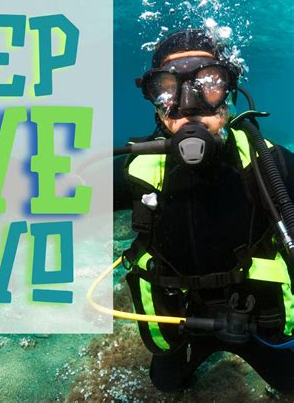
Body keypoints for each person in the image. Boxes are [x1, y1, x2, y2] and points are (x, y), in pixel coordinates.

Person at [114, 29, 294, 393]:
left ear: (228, 92)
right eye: (167, 88)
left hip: (261, 322)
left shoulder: (270, 164)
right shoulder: (137, 170)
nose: (188, 105)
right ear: (154, 102)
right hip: (183, 325)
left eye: (208, 83)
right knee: (166, 384)